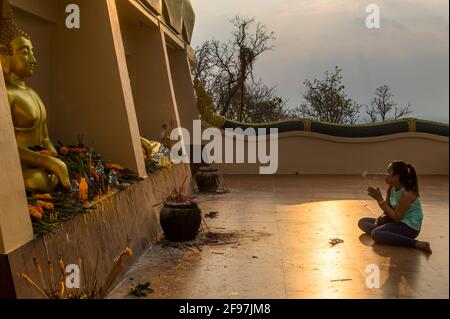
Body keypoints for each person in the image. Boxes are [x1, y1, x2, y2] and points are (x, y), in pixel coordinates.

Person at [358, 161, 432, 253]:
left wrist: (380, 200)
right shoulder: (392, 187)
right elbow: (388, 210)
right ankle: (388, 233)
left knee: (376, 234)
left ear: (396, 177)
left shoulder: (407, 193)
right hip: (396, 221)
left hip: (409, 227)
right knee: (362, 222)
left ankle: (415, 243)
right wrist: (381, 219)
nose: (386, 175)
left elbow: (397, 218)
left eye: (388, 172)